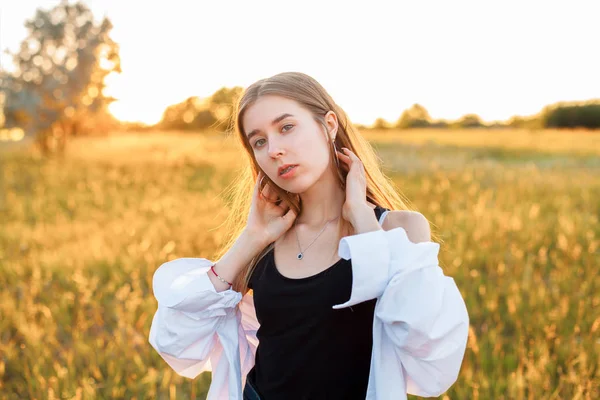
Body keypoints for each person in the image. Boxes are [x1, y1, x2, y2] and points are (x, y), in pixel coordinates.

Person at [148, 72, 469, 400]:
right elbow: (176, 339)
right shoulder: (265, 243)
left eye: (286, 127)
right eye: (259, 141)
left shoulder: (398, 230)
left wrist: (362, 219)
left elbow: (430, 348)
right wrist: (250, 237)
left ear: (329, 125)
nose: (274, 150)